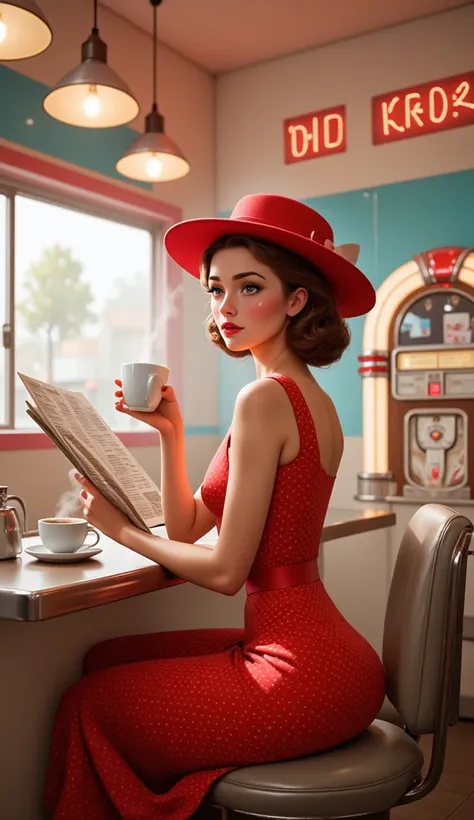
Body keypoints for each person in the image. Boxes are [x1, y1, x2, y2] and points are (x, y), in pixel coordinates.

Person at [43, 194, 385, 819]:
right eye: (214, 289)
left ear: (296, 299)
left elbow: (227, 573)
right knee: (104, 659)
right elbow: (189, 525)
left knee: (87, 701)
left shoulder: (265, 401)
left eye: (248, 287)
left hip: (304, 671)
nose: (225, 308)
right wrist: (171, 433)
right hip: (332, 659)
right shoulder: (300, 396)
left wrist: (120, 529)